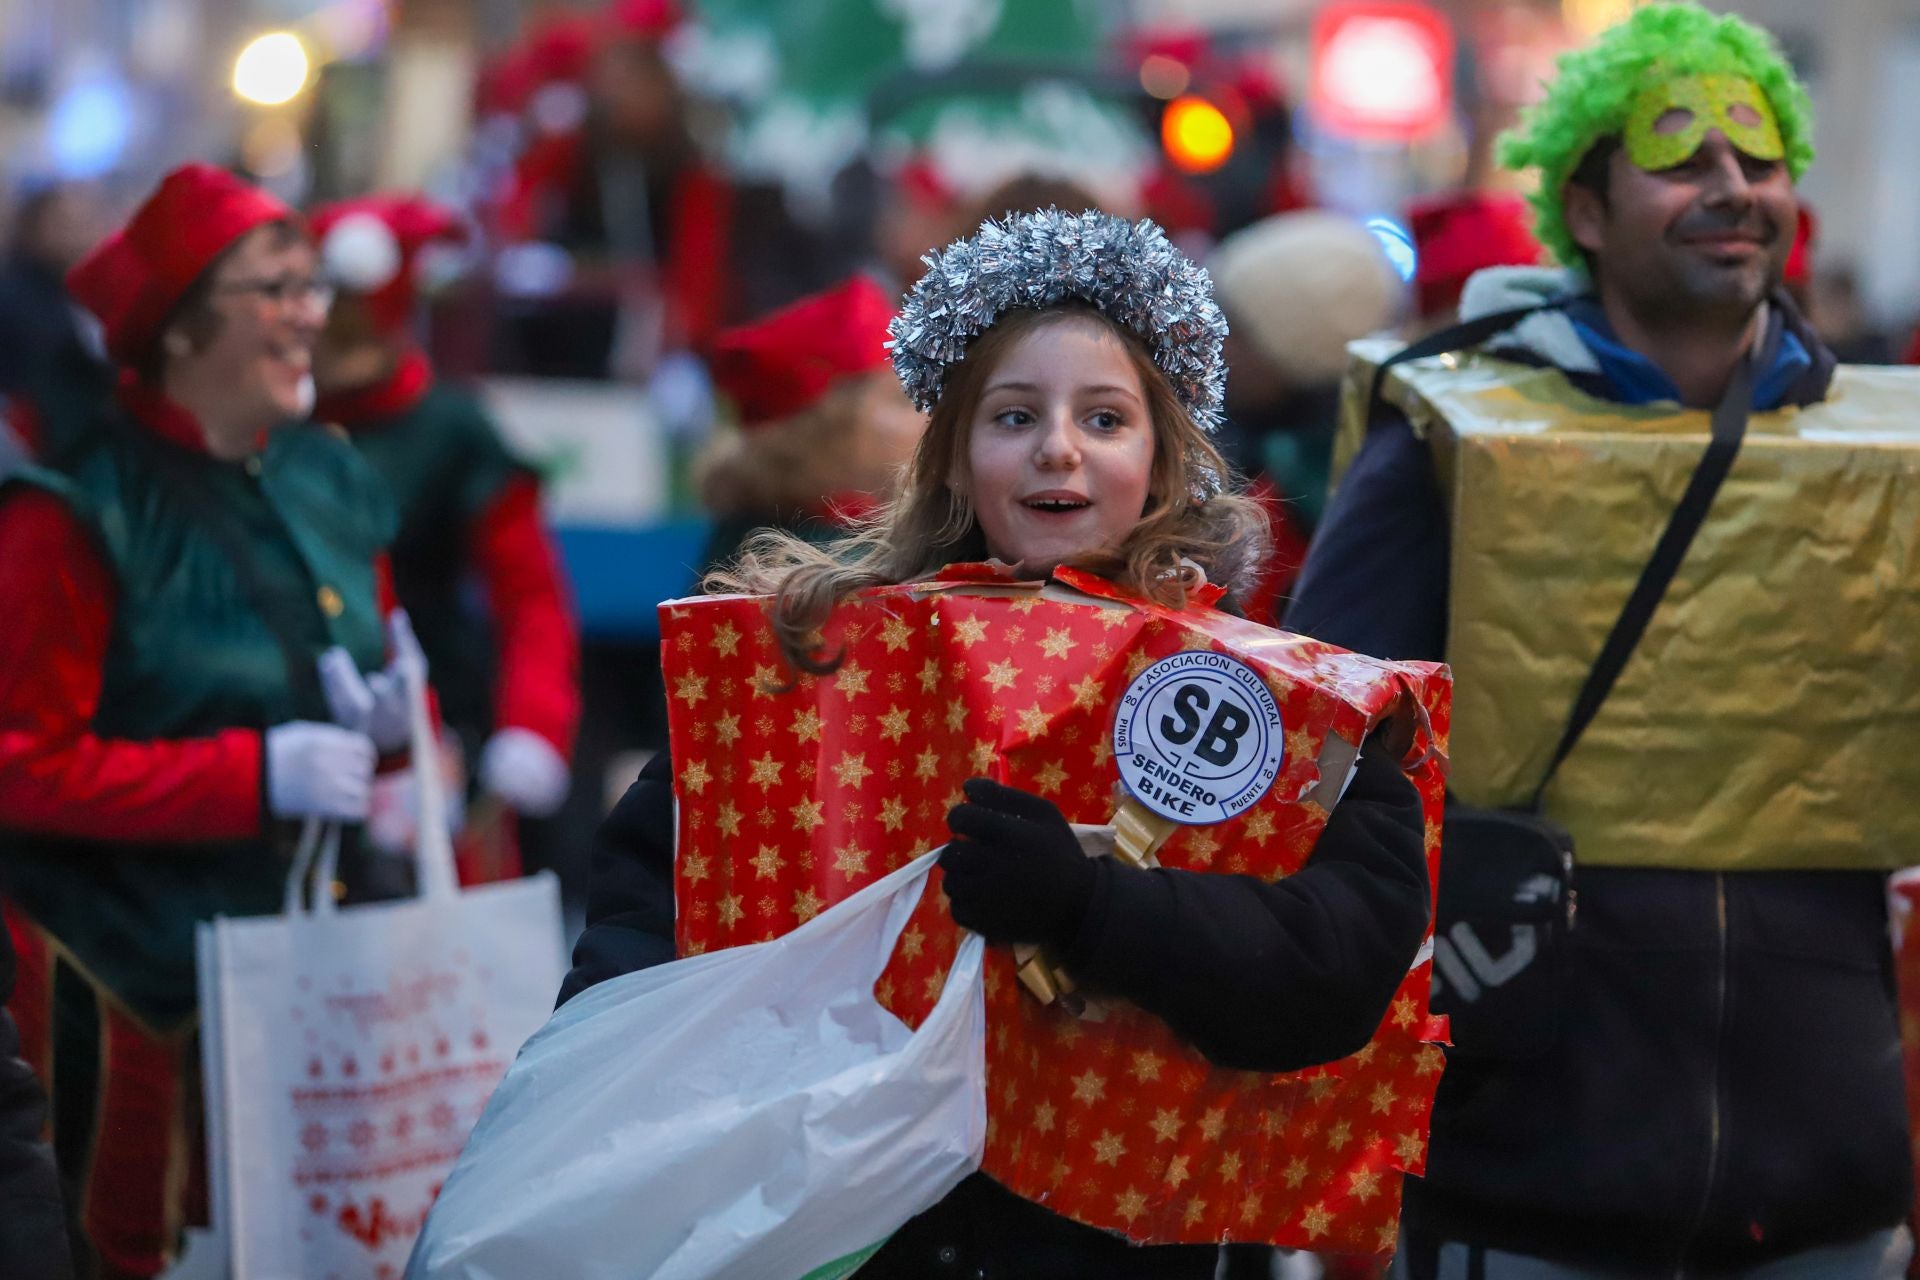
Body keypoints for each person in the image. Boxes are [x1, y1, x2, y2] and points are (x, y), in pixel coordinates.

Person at [560, 209, 1431, 1277]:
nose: (1057, 446)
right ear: (957, 457)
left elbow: (1339, 960)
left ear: (1161, 463)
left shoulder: (1268, 698)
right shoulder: (819, 662)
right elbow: (653, 903)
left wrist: (1092, 904)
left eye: (1105, 418)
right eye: (1014, 414)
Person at [1285, 6, 1913, 1276]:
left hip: (1821, 1177)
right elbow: (1325, 748)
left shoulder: (1883, 457)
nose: (1733, 186)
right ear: (1584, 208)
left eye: (1760, 156)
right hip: (1530, 1173)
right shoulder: (1454, 432)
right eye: (1683, 156)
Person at [0, 163, 406, 1278]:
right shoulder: (75, 506)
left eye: (312, 286)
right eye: (273, 289)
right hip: (119, 991)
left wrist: (401, 736)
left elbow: (373, 645)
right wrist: (251, 772)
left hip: (304, 969)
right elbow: (20, 763)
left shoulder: (326, 474)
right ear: (178, 326)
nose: (309, 315)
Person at [311, 194, 582, 867]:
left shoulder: (454, 431)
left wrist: (531, 725)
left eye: (357, 333)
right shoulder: (274, 427)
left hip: (438, 739)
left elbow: (531, 595)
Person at [1206, 210, 1405, 618]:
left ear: (1290, 353)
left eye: (1234, 330)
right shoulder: (1255, 443)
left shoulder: (1302, 495)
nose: (1216, 349)